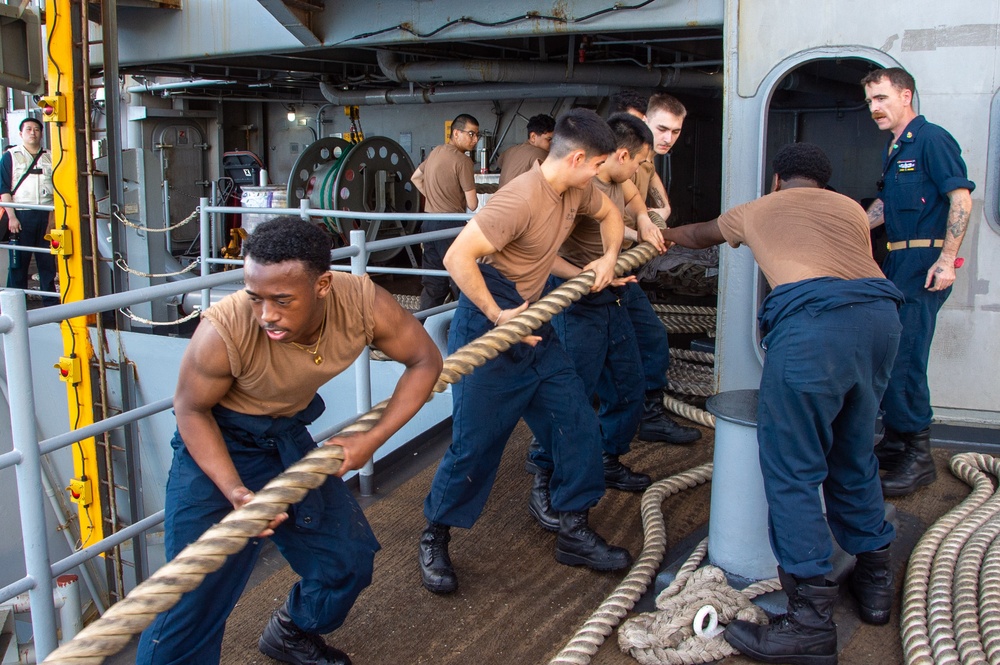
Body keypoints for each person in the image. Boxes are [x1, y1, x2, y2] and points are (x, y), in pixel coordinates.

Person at [136, 217, 442, 665]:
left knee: (347, 561)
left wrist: (371, 439)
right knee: (192, 598)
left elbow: (425, 360)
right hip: (219, 446)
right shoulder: (223, 331)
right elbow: (191, 410)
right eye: (255, 297)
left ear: (322, 285)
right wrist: (235, 491)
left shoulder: (360, 302)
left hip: (283, 438)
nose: (266, 315)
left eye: (282, 300)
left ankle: (291, 631)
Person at [663, 143, 903, 664]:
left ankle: (809, 625)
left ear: (776, 180)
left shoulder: (756, 210)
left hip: (813, 332)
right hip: (881, 321)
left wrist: (656, 237)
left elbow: (697, 236)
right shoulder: (849, 209)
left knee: (793, 470)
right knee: (854, 449)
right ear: (824, 182)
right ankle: (875, 583)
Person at [418, 109, 633, 596]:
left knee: (577, 422)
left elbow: (610, 215)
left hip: (535, 321)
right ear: (578, 158)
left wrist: (607, 257)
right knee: (475, 444)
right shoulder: (517, 199)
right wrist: (498, 316)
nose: (601, 175)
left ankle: (573, 526)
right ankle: (436, 533)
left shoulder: (576, 188)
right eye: (598, 165)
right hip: (490, 324)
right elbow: (457, 257)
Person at [524, 113, 669, 532]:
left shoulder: (613, 176)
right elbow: (540, 251)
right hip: (575, 297)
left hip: (613, 289)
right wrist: (584, 276)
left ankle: (607, 457)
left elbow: (621, 204)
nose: (641, 171)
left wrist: (641, 220)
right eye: (641, 162)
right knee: (571, 395)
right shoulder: (572, 185)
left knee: (628, 381)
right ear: (619, 155)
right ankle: (545, 476)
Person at [861, 67, 975, 497]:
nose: (874, 108)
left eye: (881, 98)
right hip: (897, 261)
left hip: (925, 261)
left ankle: (918, 456)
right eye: (870, 101)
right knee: (889, 351)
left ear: (905, 95)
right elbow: (887, 207)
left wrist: (947, 261)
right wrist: (851, 225)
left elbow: (960, 198)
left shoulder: (931, 139)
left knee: (906, 357)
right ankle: (894, 442)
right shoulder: (897, 148)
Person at [607, 92, 701, 445]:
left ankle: (647, 419)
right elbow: (602, 211)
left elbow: (659, 203)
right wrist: (645, 232)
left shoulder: (646, 160)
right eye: (662, 129)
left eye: (675, 132)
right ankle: (549, 455)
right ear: (641, 121)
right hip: (594, 271)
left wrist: (652, 221)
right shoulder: (618, 156)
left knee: (651, 341)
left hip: (624, 270)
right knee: (593, 365)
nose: (668, 138)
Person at [410, 113, 481, 310]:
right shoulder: (464, 162)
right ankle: (462, 328)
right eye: (471, 134)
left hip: (429, 224)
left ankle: (423, 330)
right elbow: (473, 204)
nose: (475, 140)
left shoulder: (436, 152)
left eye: (477, 135)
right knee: (461, 280)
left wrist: (433, 196)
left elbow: (415, 177)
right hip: (450, 225)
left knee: (434, 283)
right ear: (456, 133)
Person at [0, 117, 58, 305]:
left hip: (46, 213)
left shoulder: (51, 156)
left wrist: (53, 219)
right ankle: (15, 307)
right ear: (20, 134)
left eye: (37, 129)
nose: (33, 132)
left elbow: (59, 189)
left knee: (47, 263)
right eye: (28, 129)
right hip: (21, 214)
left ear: (42, 133)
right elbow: (4, 189)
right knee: (18, 263)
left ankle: (50, 306)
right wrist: (12, 217)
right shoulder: (11, 156)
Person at [497, 113, 555, 187]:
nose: (553, 143)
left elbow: (499, 162)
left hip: (498, 197)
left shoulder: (508, 151)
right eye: (549, 139)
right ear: (533, 137)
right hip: (521, 198)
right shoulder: (540, 153)